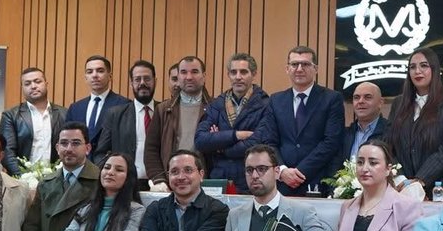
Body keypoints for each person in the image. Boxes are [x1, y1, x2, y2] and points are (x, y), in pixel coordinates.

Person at [387, 46, 443, 196]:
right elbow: (389, 144)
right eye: (412, 67)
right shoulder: (399, 103)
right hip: (401, 187)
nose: (417, 71)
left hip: (438, 187)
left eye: (424, 66)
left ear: (434, 70)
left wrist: (419, 180)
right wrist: (400, 178)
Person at [269, 45, 345, 195]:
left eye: (305, 64)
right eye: (294, 64)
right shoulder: (275, 100)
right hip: (282, 183)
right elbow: (269, 141)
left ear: (315, 69)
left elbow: (331, 142)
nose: (299, 69)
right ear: (287, 69)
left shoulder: (332, 99)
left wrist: (300, 172)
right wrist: (282, 170)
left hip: (316, 181)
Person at [197, 52, 274, 181]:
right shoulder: (216, 104)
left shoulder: (266, 104)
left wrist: (219, 147)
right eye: (233, 72)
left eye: (243, 72)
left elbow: (257, 143)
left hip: (251, 178)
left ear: (254, 74)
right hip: (219, 178)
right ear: (228, 75)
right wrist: (236, 135)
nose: (238, 77)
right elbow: (200, 140)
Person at [144, 55, 206, 191]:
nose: (189, 77)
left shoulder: (215, 108)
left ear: (204, 76)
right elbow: (151, 149)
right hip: (170, 183)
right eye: (183, 72)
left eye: (194, 72)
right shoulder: (163, 109)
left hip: (205, 184)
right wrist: (159, 180)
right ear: (178, 76)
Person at [95, 59, 158, 182]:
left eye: (147, 79)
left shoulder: (165, 111)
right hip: (125, 183)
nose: (142, 83)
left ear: (155, 81)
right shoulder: (115, 114)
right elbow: (100, 154)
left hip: (160, 183)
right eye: (137, 79)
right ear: (131, 84)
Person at [0, 66, 65, 176]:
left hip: (57, 179)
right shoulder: (11, 116)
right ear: (22, 88)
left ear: (46, 84)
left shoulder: (64, 114)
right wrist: (24, 178)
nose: (33, 86)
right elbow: (7, 153)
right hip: (22, 180)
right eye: (27, 83)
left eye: (37, 81)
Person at [66, 54, 128, 154]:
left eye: (100, 71)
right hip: (80, 162)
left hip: (109, 161)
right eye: (89, 72)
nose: (94, 75)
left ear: (110, 76)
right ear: (85, 78)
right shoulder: (75, 108)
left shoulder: (124, 105)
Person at [345, 81, 390, 160]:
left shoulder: (392, 133)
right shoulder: (344, 135)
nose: (360, 101)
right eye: (356, 97)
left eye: (367, 97)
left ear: (380, 103)